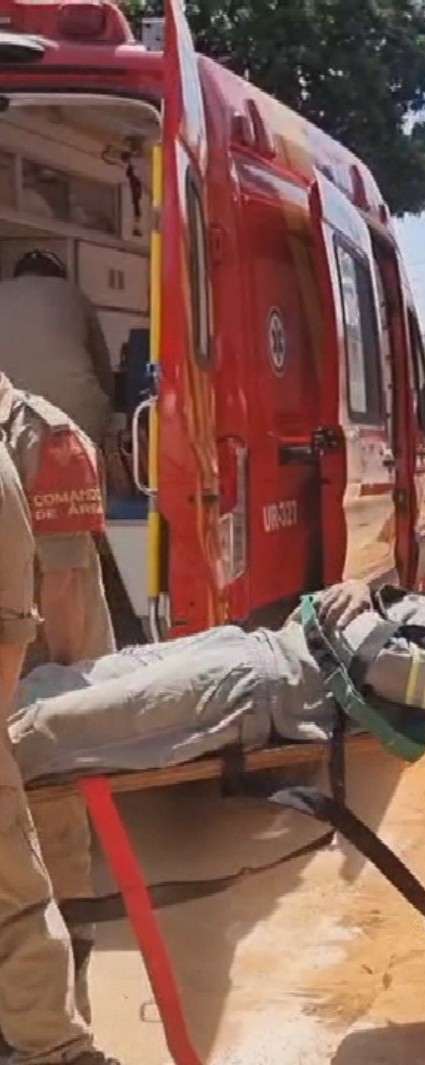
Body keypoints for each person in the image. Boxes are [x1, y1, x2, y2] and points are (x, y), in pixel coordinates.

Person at [6, 578, 425, 785]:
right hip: (259, 651)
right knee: (68, 681)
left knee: (54, 729)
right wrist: (364, 588)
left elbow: (391, 671)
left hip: (262, 686)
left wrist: (360, 610)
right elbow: (388, 632)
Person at [0, 443, 121, 1065]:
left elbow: (64, 603)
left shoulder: (45, 440)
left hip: (37, 708)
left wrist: (65, 724)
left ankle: (62, 1042)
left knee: (49, 887)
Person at [0, 251, 116, 456]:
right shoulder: (74, 295)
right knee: (80, 476)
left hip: (10, 413)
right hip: (76, 412)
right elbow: (102, 368)